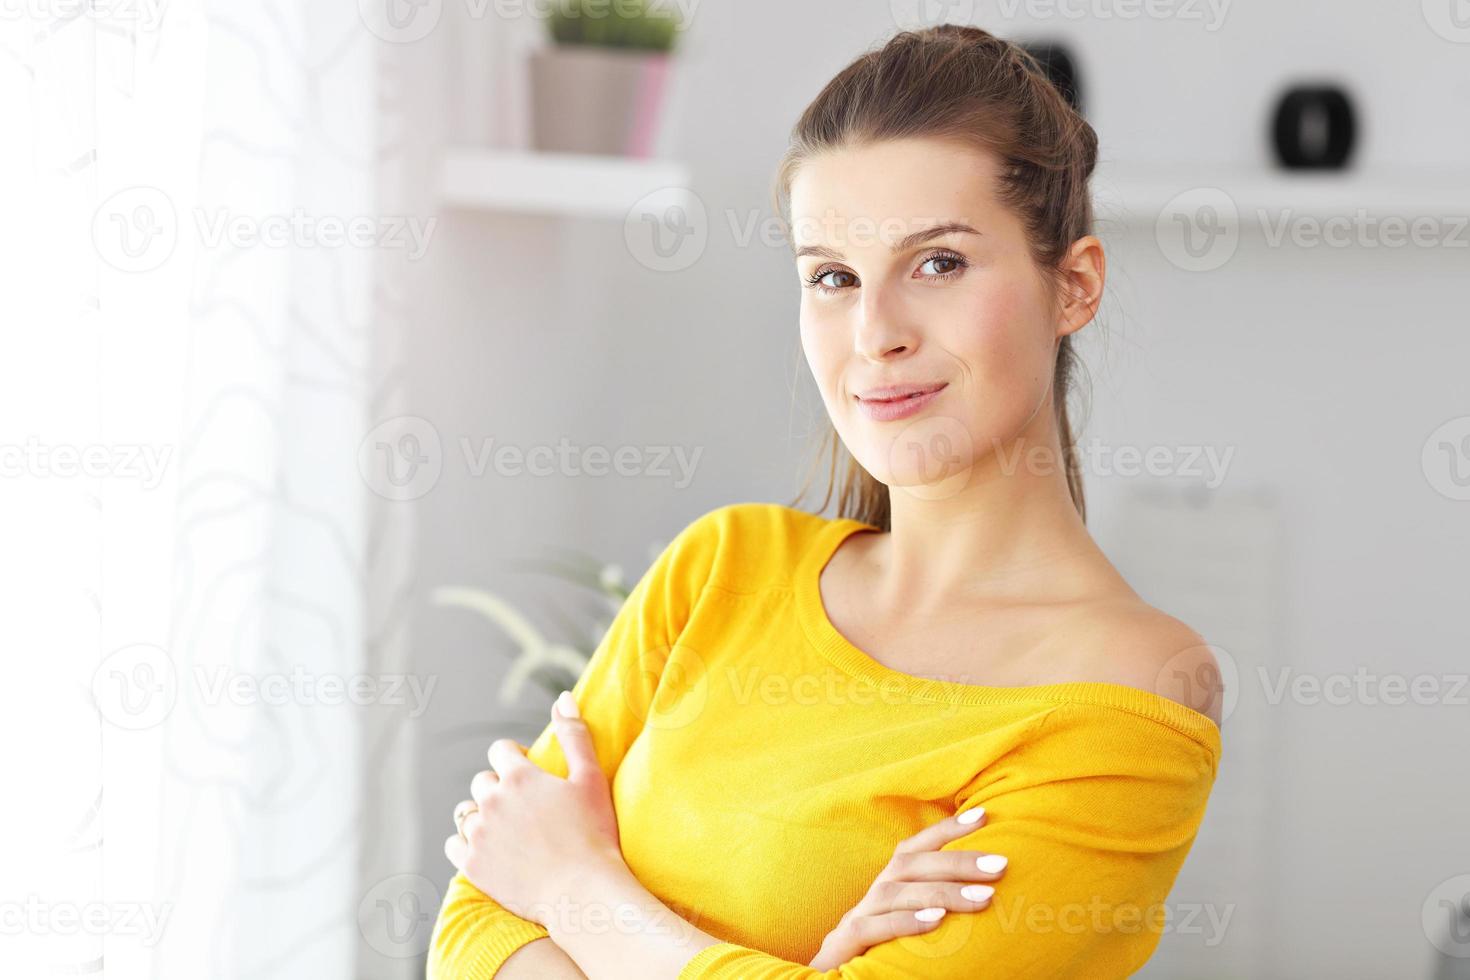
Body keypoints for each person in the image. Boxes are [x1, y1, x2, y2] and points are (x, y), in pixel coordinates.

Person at [429, 23, 1225, 979]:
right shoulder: (721, 567)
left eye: (939, 263)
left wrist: (574, 888)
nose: (875, 332)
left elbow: (530, 886)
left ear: (1076, 285)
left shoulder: (1134, 685)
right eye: (833, 278)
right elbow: (476, 925)